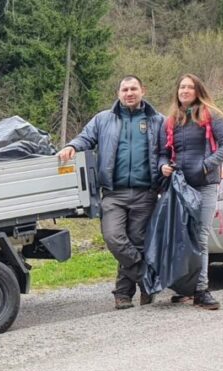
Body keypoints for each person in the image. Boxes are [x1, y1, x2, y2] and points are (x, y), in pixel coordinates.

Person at [58, 76, 164, 310]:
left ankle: (123, 294)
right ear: (118, 93)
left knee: (136, 243)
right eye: (125, 89)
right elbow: (86, 137)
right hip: (113, 194)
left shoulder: (157, 121)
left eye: (133, 89)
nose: (129, 93)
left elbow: (167, 150)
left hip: (145, 192)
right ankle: (147, 280)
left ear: (142, 91)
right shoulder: (103, 119)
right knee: (115, 239)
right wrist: (72, 146)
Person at [158, 73, 223, 310]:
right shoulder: (171, 120)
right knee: (182, 236)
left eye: (190, 87)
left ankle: (202, 290)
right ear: (177, 92)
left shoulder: (213, 115)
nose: (185, 91)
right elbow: (161, 151)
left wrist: (207, 165)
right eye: (182, 87)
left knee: (200, 236)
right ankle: (185, 288)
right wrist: (163, 166)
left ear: (198, 90)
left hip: (206, 184)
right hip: (180, 185)